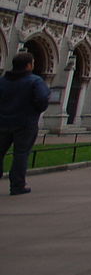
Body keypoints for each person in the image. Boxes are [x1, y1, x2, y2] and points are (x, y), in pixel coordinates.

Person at [0, 52, 50, 195]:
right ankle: (17, 185)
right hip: (25, 123)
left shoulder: (3, 81)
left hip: (3, 121)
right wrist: (35, 110)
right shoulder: (34, 81)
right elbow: (42, 98)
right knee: (21, 154)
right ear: (29, 65)